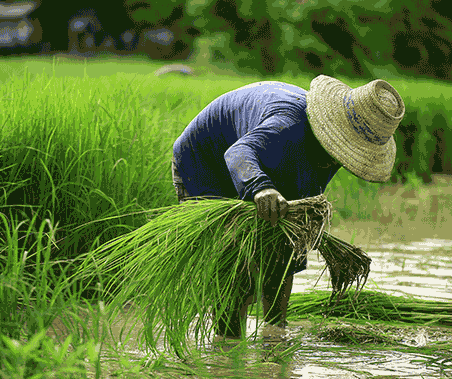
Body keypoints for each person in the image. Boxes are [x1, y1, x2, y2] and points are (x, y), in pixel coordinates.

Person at [171, 75, 406, 341]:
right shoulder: (288, 124)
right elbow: (237, 154)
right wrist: (262, 188)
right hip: (206, 161)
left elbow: (290, 240)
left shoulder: (328, 153)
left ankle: (275, 334)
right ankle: (228, 345)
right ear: (334, 130)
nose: (342, 159)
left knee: (285, 245)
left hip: (258, 155)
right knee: (232, 259)